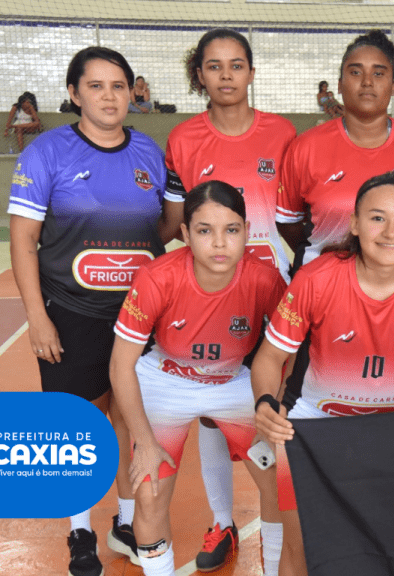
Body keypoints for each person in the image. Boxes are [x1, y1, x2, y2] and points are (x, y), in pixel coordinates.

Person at [7, 46, 180, 576]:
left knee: (132, 423)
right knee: (75, 430)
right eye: (96, 86)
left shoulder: (149, 152)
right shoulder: (46, 153)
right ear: (74, 93)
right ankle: (79, 531)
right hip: (70, 312)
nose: (109, 96)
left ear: (132, 93)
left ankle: (125, 524)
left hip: (137, 319)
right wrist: (38, 317)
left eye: (118, 86)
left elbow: (164, 229)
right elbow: (23, 240)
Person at [253, 173, 394, 576]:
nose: (391, 232)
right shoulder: (317, 278)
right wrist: (264, 402)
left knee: (385, 543)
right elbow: (269, 357)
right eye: (378, 218)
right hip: (309, 426)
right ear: (355, 224)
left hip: (390, 428)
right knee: (300, 545)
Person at [157, 28, 296, 574]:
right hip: (211, 298)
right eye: (214, 66)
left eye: (236, 65)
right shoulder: (184, 139)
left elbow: (298, 214)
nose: (226, 75)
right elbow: (174, 222)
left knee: (274, 413)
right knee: (213, 412)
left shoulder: (282, 134)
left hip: (273, 297)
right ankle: (222, 520)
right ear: (200, 75)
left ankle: (281, 538)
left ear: (252, 72)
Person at [110, 181, 287, 576]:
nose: (220, 243)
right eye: (205, 230)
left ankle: (275, 568)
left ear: (246, 231)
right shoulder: (157, 277)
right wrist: (145, 442)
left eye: (232, 230)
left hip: (233, 382)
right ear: (186, 234)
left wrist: (275, 405)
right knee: (150, 493)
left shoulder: (264, 279)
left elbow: (287, 354)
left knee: (280, 484)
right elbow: (121, 364)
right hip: (166, 380)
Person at [277, 29, 394, 270]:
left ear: (393, 86)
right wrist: (328, 261)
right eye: (355, 72)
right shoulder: (306, 147)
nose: (367, 82)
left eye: (378, 73)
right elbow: (288, 222)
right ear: (339, 85)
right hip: (325, 283)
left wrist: (391, 261)